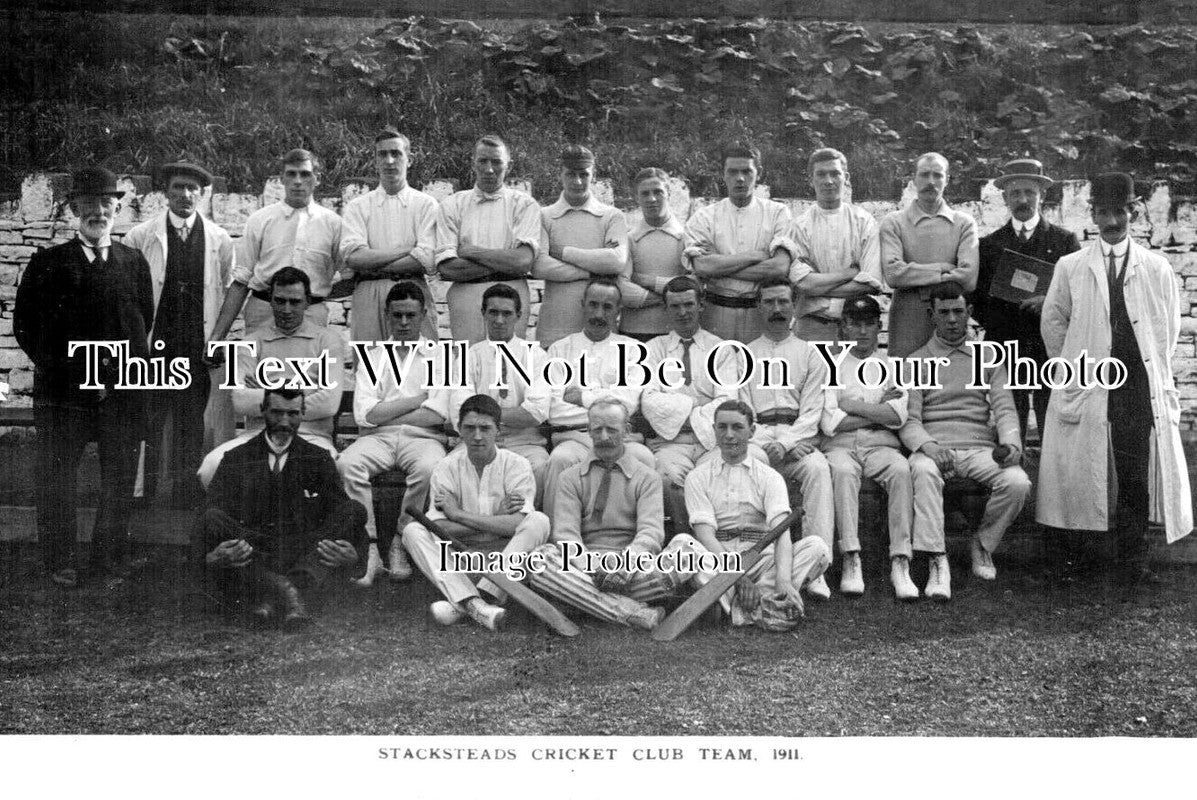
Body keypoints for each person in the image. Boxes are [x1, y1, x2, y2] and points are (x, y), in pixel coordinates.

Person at [1038, 172, 1193, 584]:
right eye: (1103, 213)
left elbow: (1167, 331)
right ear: (1093, 215)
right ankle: (1085, 558)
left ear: (1133, 212)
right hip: (1087, 379)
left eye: (1119, 212)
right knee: (1083, 466)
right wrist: (1074, 364)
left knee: (1132, 469)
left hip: (1135, 384)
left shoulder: (1156, 268)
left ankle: (1132, 560)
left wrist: (1144, 366)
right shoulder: (1070, 267)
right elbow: (1054, 323)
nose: (1111, 222)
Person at [14, 167, 154, 587]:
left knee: (119, 476)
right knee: (57, 476)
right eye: (89, 203)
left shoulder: (133, 262)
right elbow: (26, 327)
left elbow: (141, 320)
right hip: (64, 392)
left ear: (118, 207)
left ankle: (109, 559)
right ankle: (60, 560)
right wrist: (68, 371)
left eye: (106, 202)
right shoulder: (48, 263)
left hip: (119, 392)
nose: (98, 211)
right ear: (74, 208)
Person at [527, 399, 710, 630]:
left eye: (612, 429)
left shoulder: (647, 477)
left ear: (627, 431)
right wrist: (592, 569)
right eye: (597, 429)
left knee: (687, 549)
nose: (603, 437)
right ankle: (632, 611)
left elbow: (650, 532)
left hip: (633, 571)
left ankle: (584, 601)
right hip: (585, 568)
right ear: (589, 431)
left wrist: (624, 565)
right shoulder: (570, 478)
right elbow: (566, 536)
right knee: (540, 560)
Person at [899, 282, 1031, 600]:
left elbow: (1005, 411)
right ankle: (936, 559)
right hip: (934, 447)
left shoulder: (988, 357)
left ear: (969, 313)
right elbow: (908, 421)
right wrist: (930, 447)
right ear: (932, 316)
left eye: (959, 311)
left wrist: (1012, 445)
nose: (953, 319)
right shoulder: (916, 361)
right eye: (944, 312)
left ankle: (982, 545)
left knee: (1017, 482)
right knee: (923, 471)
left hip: (979, 448)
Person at [196, 389, 366, 628]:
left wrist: (354, 555)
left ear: (303, 414)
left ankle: (268, 596)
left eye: (293, 413)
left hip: (303, 548)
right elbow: (209, 512)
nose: (284, 422)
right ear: (262, 411)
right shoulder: (236, 457)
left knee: (354, 510)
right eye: (276, 412)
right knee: (213, 517)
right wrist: (210, 557)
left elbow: (342, 512)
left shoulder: (318, 457)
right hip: (254, 549)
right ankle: (292, 593)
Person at [123, 161, 238, 506]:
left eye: (192, 189)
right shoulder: (141, 236)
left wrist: (216, 338)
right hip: (153, 347)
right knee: (150, 419)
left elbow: (227, 291)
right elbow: (127, 294)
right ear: (165, 192)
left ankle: (184, 495)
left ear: (202, 195)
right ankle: (142, 495)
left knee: (191, 422)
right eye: (178, 187)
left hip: (194, 347)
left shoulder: (219, 240)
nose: (185, 195)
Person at [401, 394, 551, 631]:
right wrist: (496, 520)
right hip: (459, 559)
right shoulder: (446, 466)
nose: (477, 436)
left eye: (485, 428)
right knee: (412, 530)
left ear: (498, 431)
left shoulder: (517, 464)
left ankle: (475, 599)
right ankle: (476, 604)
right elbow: (440, 529)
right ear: (459, 430)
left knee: (539, 521)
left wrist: (457, 514)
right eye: (470, 428)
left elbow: (517, 525)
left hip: (504, 558)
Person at [338, 281, 451, 586]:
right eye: (397, 315)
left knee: (430, 468)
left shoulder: (440, 356)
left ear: (423, 314)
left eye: (410, 315)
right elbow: (366, 414)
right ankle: (371, 546)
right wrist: (416, 399)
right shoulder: (374, 357)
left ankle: (400, 541)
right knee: (347, 465)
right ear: (387, 314)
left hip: (423, 438)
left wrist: (388, 409)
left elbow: (438, 412)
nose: (403, 323)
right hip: (377, 438)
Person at [685, 400, 830, 630]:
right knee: (683, 546)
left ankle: (734, 606)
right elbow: (704, 534)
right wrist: (737, 576)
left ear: (752, 431)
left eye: (737, 427)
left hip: (762, 560)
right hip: (719, 559)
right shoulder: (697, 476)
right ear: (714, 430)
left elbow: (781, 532)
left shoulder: (769, 477)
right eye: (722, 427)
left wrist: (783, 579)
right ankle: (762, 606)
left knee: (817, 548)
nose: (729, 435)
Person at [196, 267, 344, 488]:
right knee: (211, 466)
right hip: (257, 434)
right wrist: (306, 391)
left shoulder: (327, 341)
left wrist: (266, 391)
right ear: (270, 302)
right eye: (280, 301)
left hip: (311, 437)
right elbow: (240, 400)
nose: (286, 309)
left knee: (331, 468)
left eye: (294, 302)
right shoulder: (251, 343)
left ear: (307, 302)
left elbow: (329, 403)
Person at [738, 276, 835, 600]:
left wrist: (788, 442)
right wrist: (768, 443)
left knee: (818, 469)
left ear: (794, 305)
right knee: (749, 468)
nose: (777, 309)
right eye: (769, 302)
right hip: (758, 443)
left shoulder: (811, 355)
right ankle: (756, 565)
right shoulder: (744, 355)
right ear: (758, 307)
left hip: (797, 443)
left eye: (783, 301)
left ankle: (818, 567)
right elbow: (742, 411)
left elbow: (812, 411)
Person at [975, 158, 1081, 443]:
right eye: (1015, 193)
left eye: (1029, 192)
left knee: (1054, 421)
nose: (1023, 199)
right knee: (1010, 421)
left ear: (1042, 194)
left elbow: (1079, 295)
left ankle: (1053, 485)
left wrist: (1048, 304)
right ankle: (1014, 480)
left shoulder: (1064, 242)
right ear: (1005, 197)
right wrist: (1004, 316)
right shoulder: (989, 245)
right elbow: (978, 298)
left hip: (1049, 345)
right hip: (1007, 345)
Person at [820, 297, 918, 599]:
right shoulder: (830, 367)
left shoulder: (892, 366)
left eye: (868, 324)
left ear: (879, 327)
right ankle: (851, 556)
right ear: (843, 328)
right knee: (842, 471)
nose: (862, 331)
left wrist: (851, 406)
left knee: (901, 470)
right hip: (843, 446)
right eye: (854, 323)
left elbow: (898, 416)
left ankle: (900, 560)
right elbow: (829, 422)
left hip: (881, 446)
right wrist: (877, 409)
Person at [539, 277, 654, 515]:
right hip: (573, 437)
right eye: (593, 305)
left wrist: (581, 397)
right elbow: (555, 409)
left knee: (643, 458)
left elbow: (627, 404)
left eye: (607, 307)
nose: (599, 313)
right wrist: (608, 401)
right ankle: (557, 538)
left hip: (620, 439)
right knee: (559, 460)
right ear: (582, 305)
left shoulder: (632, 350)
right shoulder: (560, 350)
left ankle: (640, 541)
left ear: (618, 311)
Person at [639, 276, 738, 535]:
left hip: (712, 443)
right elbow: (649, 402)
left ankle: (720, 546)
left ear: (701, 305)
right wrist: (699, 404)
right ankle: (688, 541)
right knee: (666, 477)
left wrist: (678, 409)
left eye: (688, 304)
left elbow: (727, 404)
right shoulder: (653, 350)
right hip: (672, 444)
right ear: (665, 309)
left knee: (721, 476)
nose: (683, 313)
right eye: (675, 306)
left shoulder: (721, 349)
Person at [209, 148, 343, 340]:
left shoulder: (333, 223)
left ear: (317, 178)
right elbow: (241, 280)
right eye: (291, 174)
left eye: (305, 174)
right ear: (282, 178)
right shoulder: (260, 219)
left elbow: (348, 275)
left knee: (308, 370)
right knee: (261, 369)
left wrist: (317, 295)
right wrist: (218, 337)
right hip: (264, 312)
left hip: (311, 315)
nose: (298, 181)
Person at [683, 143, 795, 343]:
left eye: (747, 171)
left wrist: (719, 265)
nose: (740, 178)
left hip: (760, 314)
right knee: (717, 370)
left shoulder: (777, 213)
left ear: (758, 173)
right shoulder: (704, 217)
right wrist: (755, 256)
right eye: (732, 172)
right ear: (723, 174)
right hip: (716, 312)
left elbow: (779, 267)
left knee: (760, 371)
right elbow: (702, 266)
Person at [435, 135, 540, 343]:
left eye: (497, 162)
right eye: (483, 161)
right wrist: (505, 263)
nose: (489, 169)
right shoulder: (452, 205)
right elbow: (447, 268)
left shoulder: (525, 205)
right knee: (467, 364)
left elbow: (523, 261)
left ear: (508, 165)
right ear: (473, 163)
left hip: (512, 295)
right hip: (466, 295)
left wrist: (471, 252)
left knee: (509, 363)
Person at [340, 129, 439, 342]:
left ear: (409, 159)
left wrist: (370, 261)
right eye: (382, 155)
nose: (389, 161)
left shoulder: (425, 205)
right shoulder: (358, 206)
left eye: (396, 153)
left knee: (423, 365)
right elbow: (354, 258)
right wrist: (406, 251)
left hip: (413, 291)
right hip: (369, 293)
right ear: (375, 161)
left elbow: (425, 259)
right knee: (370, 366)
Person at [880, 152, 979, 357]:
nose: (931, 182)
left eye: (938, 175)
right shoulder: (894, 222)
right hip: (909, 318)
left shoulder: (963, 223)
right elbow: (893, 274)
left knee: (953, 382)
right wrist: (943, 268)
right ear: (913, 179)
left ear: (947, 179)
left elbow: (968, 279)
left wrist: (915, 274)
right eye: (924, 175)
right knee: (908, 380)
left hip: (950, 315)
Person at [448, 283, 551, 478]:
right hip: (477, 441)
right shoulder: (469, 356)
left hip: (524, 442)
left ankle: (529, 510)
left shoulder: (535, 356)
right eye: (493, 313)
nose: (499, 320)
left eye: (506, 313)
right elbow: (459, 411)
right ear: (483, 313)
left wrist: (482, 415)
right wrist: (495, 424)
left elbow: (536, 412)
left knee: (540, 467)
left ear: (518, 316)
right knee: (448, 467)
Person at [531, 145, 629, 347]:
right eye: (571, 174)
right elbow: (540, 266)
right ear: (561, 174)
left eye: (583, 175)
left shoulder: (612, 216)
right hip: (554, 327)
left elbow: (616, 261)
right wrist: (594, 271)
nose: (577, 181)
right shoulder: (544, 216)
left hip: (601, 330)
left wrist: (564, 252)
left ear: (592, 176)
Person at [789, 148, 884, 342]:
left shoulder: (864, 222)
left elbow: (870, 282)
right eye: (821, 174)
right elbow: (804, 284)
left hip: (857, 325)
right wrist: (849, 274)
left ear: (846, 177)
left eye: (835, 173)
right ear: (811, 180)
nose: (829, 181)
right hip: (812, 327)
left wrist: (817, 285)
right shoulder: (800, 226)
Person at [617, 167, 684, 342]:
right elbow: (621, 287)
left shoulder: (686, 236)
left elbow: (692, 285)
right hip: (634, 331)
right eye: (645, 194)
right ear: (636, 197)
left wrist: (650, 281)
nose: (652, 199)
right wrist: (669, 297)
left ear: (668, 193)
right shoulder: (628, 239)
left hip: (676, 331)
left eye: (658, 192)